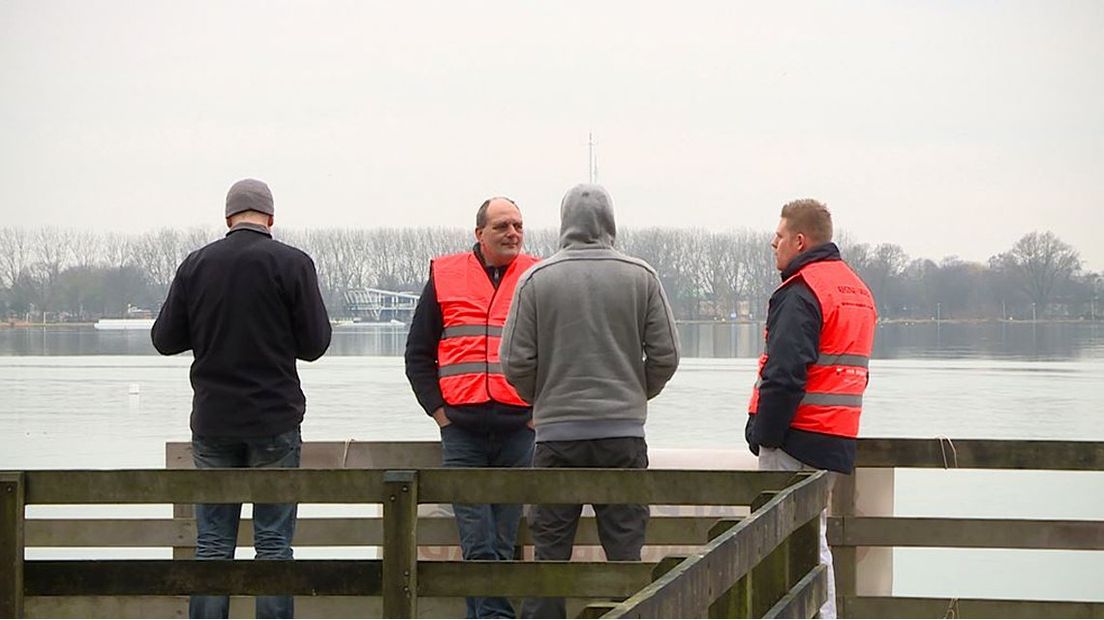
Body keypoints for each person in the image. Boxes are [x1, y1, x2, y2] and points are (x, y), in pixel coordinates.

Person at [151, 178, 332, 619]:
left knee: (212, 543)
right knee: (273, 543)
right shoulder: (292, 264)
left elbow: (164, 339)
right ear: (271, 218)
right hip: (274, 420)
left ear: (228, 217)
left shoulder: (196, 265)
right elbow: (315, 344)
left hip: (213, 422)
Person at [499, 183, 681, 619]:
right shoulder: (642, 276)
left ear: (565, 223)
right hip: (622, 438)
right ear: (610, 222)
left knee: (549, 559)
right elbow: (666, 356)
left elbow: (514, 363)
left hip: (556, 438)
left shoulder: (535, 280)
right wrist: (636, 392)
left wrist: (542, 398)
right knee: (624, 556)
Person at [404, 196, 538, 619]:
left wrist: (538, 412)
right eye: (501, 226)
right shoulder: (445, 276)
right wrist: (438, 412)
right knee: (477, 539)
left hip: (520, 428)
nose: (512, 233)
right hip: (462, 429)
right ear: (479, 233)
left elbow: (557, 354)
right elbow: (417, 355)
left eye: (517, 225)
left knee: (502, 538)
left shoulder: (536, 276)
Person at [745, 199, 877, 619]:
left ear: (800, 241)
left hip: (795, 439)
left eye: (780, 236)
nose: (773, 243)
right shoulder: (856, 290)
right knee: (814, 542)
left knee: (784, 546)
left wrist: (762, 434)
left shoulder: (803, 290)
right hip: (836, 438)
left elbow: (784, 376)